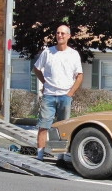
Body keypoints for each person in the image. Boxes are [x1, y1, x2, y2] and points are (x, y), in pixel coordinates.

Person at [33, 25, 83, 161]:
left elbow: (79, 76)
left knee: (63, 128)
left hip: (65, 96)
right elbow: (36, 69)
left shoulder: (73, 54)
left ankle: (61, 156)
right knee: (44, 126)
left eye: (62, 33)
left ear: (68, 36)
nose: (59, 35)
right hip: (49, 95)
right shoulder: (48, 53)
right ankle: (40, 155)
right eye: (57, 33)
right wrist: (45, 83)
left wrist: (70, 93)